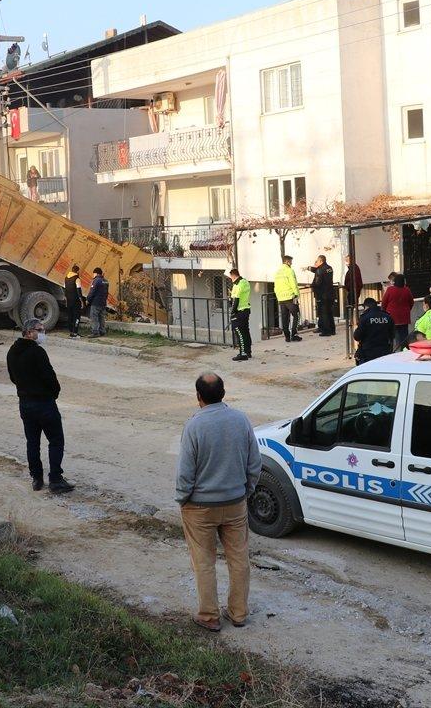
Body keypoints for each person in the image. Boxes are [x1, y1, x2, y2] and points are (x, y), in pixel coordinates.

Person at [175, 372, 261, 632]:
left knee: (203, 562)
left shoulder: (194, 426)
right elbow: (254, 463)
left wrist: (182, 499)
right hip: (235, 503)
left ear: (198, 396)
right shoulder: (240, 420)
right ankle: (238, 613)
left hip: (199, 507)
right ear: (223, 393)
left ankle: (209, 616)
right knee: (239, 559)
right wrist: (246, 490)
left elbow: (185, 473)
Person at [6, 318, 74, 493]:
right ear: (29, 333)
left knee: (32, 442)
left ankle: (36, 479)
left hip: (25, 404)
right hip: (44, 403)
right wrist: (54, 393)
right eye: (40, 330)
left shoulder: (12, 352)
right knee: (56, 440)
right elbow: (50, 377)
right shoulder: (37, 352)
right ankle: (56, 479)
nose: (43, 334)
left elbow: (13, 378)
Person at [353, 297, 394, 365]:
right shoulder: (387, 316)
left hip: (368, 352)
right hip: (384, 351)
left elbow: (357, 337)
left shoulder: (365, 317)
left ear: (366, 306)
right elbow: (392, 335)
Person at [380, 272, 414, 349]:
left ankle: (392, 351)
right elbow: (411, 302)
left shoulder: (390, 290)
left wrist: (384, 314)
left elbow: (384, 303)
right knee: (404, 337)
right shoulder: (407, 290)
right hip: (404, 318)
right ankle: (404, 351)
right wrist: (407, 310)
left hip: (391, 317)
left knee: (391, 336)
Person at [273, 255, 301, 342]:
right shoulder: (289, 271)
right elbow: (293, 283)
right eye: (291, 261)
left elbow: (275, 286)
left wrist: (278, 296)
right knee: (296, 315)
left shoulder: (277, 272)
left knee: (285, 318)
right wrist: (296, 294)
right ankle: (294, 334)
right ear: (288, 261)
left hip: (281, 298)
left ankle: (287, 337)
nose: (292, 263)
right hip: (290, 297)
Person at [306, 256, 335, 336]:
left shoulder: (320, 270)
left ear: (321, 261)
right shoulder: (329, 268)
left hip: (322, 295)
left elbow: (317, 283)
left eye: (317, 261)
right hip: (330, 294)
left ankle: (326, 331)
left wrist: (311, 285)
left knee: (323, 313)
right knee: (329, 313)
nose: (316, 262)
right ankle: (332, 330)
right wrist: (308, 268)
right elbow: (318, 271)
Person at [227, 269, 252, 361]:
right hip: (246, 310)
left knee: (239, 332)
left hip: (239, 312)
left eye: (231, 278)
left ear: (233, 276)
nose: (231, 280)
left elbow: (235, 301)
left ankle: (242, 353)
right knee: (245, 331)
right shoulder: (245, 282)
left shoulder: (237, 285)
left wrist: (232, 313)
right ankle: (248, 351)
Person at [86, 267, 108, 337]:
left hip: (95, 303)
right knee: (101, 317)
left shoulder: (96, 280)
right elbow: (106, 293)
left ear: (96, 273)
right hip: (103, 302)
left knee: (94, 317)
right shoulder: (106, 281)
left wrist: (88, 299)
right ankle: (102, 331)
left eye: (94, 273)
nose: (93, 275)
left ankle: (95, 332)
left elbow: (92, 291)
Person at [64, 264, 83, 339]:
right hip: (75, 301)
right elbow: (79, 291)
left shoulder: (66, 278)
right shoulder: (77, 279)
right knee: (76, 316)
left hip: (69, 300)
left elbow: (65, 289)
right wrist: (81, 301)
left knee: (70, 316)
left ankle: (71, 332)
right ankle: (75, 333)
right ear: (77, 271)